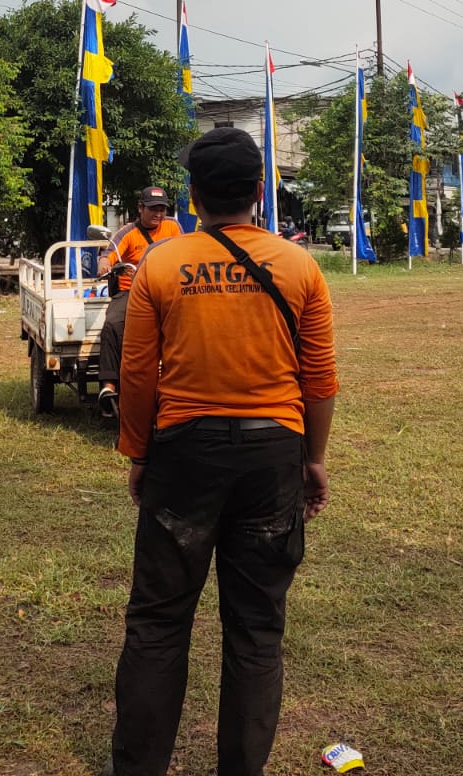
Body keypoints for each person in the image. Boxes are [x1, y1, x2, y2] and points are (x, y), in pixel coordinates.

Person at [107, 128, 338, 776]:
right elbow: (318, 379)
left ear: (193, 194)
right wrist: (312, 459)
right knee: (256, 631)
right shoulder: (300, 267)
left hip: (184, 456)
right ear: (259, 192)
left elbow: (139, 375)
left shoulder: (162, 264)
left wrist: (138, 455)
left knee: (157, 624)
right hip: (273, 459)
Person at [96, 186, 185, 417]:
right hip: (131, 291)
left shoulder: (173, 227)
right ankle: (109, 386)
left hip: (166, 289)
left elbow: (185, 250)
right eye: (153, 209)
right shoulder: (127, 233)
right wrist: (105, 264)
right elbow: (108, 254)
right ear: (140, 208)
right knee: (112, 325)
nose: (158, 214)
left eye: (162, 209)